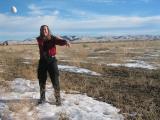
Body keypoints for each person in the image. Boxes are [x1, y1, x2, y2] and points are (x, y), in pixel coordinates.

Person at [36, 25, 70, 106]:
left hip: (52, 61)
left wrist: (65, 41)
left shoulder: (52, 38)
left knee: (55, 80)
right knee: (41, 80)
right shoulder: (39, 39)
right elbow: (41, 43)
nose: (44, 31)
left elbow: (59, 42)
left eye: (45, 29)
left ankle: (58, 99)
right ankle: (42, 98)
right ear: (40, 31)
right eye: (42, 30)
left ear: (48, 30)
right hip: (42, 61)